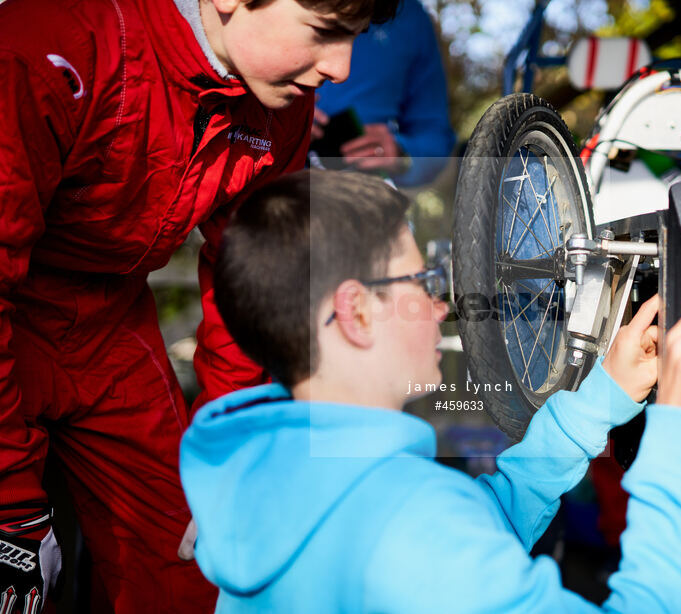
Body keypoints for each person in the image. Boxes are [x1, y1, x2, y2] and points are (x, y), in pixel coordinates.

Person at [179, 169, 681, 612]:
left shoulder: (278, 483)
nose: (442, 305)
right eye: (421, 281)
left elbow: (471, 530)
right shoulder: (410, 524)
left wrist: (602, 397)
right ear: (356, 313)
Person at [0, 0, 399, 611]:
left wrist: (232, 448)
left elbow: (249, 275)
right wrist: (12, 500)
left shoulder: (281, 103)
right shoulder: (53, 40)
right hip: (12, 307)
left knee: (192, 556)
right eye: (324, 32)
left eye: (356, 36)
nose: (343, 68)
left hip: (111, 325)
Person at [310, 0, 455, 185]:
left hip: (356, 190)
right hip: (269, 176)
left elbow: (435, 132)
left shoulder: (411, 16)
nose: (341, 71)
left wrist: (401, 152)